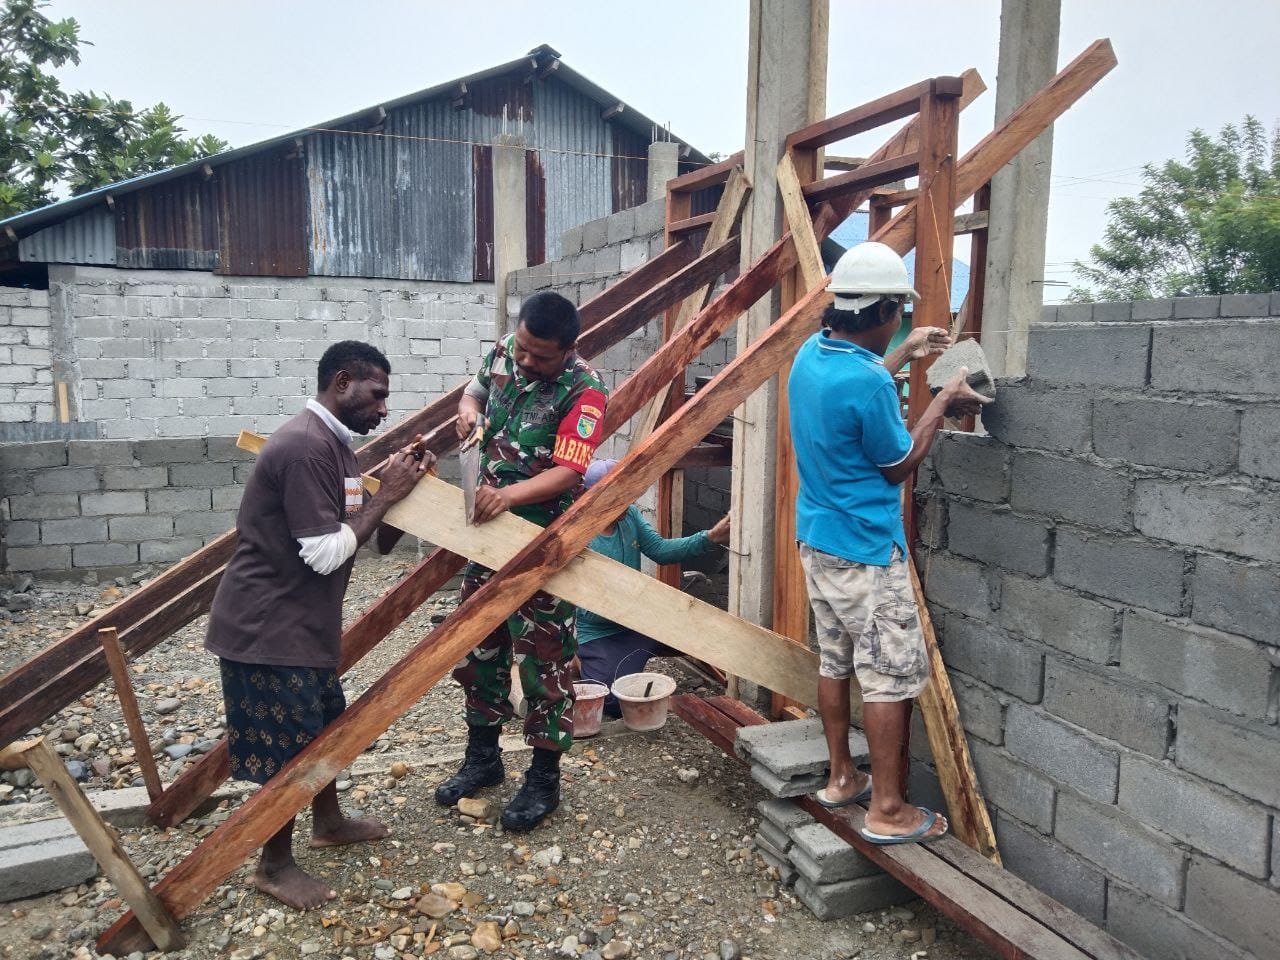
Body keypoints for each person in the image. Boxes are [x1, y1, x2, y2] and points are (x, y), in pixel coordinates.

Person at [204, 341, 435, 909]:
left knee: (325, 728)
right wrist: (392, 496)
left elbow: (370, 535)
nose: (384, 408)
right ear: (342, 381)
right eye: (376, 393)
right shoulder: (307, 448)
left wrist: (405, 494)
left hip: (300, 628)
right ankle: (273, 866)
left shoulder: (335, 447)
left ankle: (327, 821)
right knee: (289, 752)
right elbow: (325, 553)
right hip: (268, 630)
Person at [787, 242, 990, 846]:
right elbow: (899, 460)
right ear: (876, 312)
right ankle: (889, 809)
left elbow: (862, 381)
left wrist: (905, 352)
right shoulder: (871, 384)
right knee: (889, 677)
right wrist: (944, 398)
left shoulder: (809, 354)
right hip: (867, 550)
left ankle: (843, 778)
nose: (896, 325)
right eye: (896, 317)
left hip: (819, 541)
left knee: (834, 660)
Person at [435, 291, 608, 832]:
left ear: (567, 351)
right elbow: (476, 392)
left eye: (540, 357)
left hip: (540, 546)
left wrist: (509, 497)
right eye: (523, 350)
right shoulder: (509, 349)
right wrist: (467, 413)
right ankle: (483, 759)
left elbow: (569, 473)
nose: (526, 362)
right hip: (486, 539)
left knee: (544, 661)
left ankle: (542, 778)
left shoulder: (586, 390)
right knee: (479, 648)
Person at [574, 458, 730, 716]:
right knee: (612, 703)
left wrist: (710, 537)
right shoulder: (578, 534)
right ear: (594, 496)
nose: (628, 502)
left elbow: (659, 550)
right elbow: (584, 608)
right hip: (600, 631)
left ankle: (631, 655)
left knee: (709, 635)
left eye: (629, 495)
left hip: (641, 621)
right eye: (619, 496)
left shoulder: (630, 516)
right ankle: (581, 662)